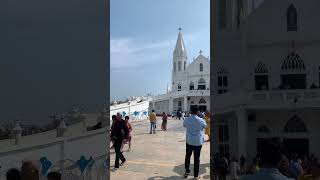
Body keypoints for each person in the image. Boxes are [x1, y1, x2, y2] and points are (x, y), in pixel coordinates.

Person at [183, 106, 207, 179]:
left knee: (188, 156)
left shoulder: (187, 119)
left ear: (190, 111)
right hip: (198, 142)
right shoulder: (201, 120)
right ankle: (196, 176)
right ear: (197, 112)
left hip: (189, 141)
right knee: (197, 158)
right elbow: (205, 126)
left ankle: (187, 171)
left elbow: (184, 125)